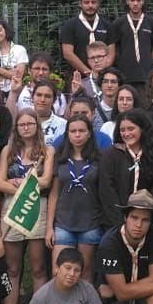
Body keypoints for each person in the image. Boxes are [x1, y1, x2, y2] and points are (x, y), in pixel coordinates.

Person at [0, 110, 54, 304]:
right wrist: (27, 184)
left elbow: (47, 181)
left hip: (37, 209)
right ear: (16, 128)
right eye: (21, 124)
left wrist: (22, 183)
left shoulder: (47, 150)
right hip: (12, 208)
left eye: (30, 123)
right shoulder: (8, 151)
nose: (26, 127)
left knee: (39, 268)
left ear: (37, 126)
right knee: (12, 269)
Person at [47, 115, 103, 281]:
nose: (77, 135)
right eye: (73, 131)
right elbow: (54, 194)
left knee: (84, 273)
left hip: (90, 223)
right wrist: (50, 227)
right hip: (64, 223)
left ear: (89, 134)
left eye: (81, 131)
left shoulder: (98, 160)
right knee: (58, 272)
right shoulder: (61, 159)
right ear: (67, 134)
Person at [99, 110, 153, 229]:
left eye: (131, 129)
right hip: (116, 223)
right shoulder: (111, 155)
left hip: (147, 222)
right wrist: (120, 223)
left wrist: (150, 221)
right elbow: (107, 191)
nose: (126, 133)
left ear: (142, 129)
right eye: (122, 130)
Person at [59, 0, 113, 92]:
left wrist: (100, 73)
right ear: (80, 4)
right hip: (77, 77)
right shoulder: (70, 25)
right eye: (86, 2)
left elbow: (111, 52)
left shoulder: (107, 25)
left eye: (93, 2)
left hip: (103, 78)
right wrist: (89, 73)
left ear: (98, 3)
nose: (90, 6)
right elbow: (67, 53)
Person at [112, 0, 153, 91]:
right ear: (127, 1)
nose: (135, 3)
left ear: (143, 1)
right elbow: (115, 49)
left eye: (138, 0)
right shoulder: (118, 23)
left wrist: (147, 62)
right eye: (132, 0)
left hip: (146, 76)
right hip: (125, 76)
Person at [0, 18, 29, 96]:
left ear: (5, 30)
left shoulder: (20, 49)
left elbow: (18, 76)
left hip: (15, 92)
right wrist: (9, 72)